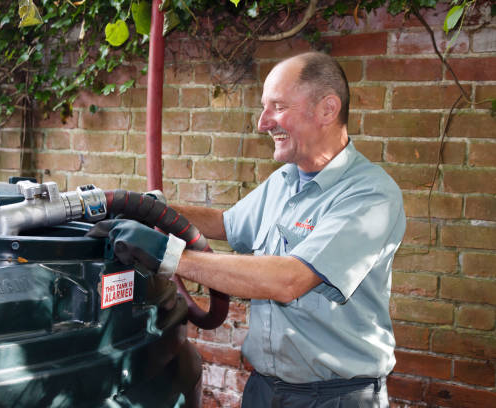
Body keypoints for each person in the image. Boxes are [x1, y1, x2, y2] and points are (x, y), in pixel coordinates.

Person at [90, 51, 406, 407]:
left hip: (334, 397)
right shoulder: (285, 180)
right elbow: (226, 223)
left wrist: (168, 256)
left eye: (278, 106)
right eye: (264, 108)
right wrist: (147, 209)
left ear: (327, 109)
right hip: (264, 389)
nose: (263, 123)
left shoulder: (370, 195)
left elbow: (290, 280)